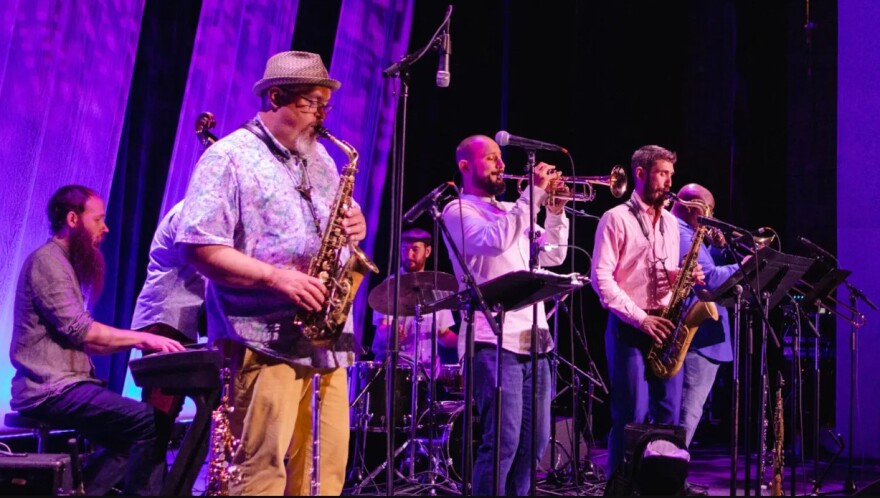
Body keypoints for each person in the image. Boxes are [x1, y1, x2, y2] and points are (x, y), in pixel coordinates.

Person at [176, 51, 367, 496]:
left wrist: (354, 226)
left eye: (325, 105)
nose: (321, 116)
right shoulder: (229, 157)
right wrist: (277, 278)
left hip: (327, 343)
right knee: (256, 476)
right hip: (261, 339)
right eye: (311, 103)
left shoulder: (320, 158)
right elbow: (199, 248)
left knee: (324, 477)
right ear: (276, 96)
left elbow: (330, 230)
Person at [9, 185, 185, 496]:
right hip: (49, 389)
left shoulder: (63, 264)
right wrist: (144, 339)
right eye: (98, 220)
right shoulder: (47, 261)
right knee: (150, 424)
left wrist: (144, 342)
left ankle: (83, 490)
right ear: (73, 219)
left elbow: (90, 342)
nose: (105, 228)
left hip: (67, 385)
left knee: (130, 436)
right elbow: (84, 332)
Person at [441, 134, 569, 496]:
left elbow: (554, 255)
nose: (501, 165)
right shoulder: (459, 211)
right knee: (503, 443)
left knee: (536, 444)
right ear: (465, 166)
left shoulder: (513, 209)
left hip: (537, 341)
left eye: (501, 158)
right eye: (492, 159)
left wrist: (556, 212)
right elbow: (493, 242)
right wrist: (532, 197)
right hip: (492, 341)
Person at [590, 145, 704, 476]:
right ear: (640, 173)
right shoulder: (615, 218)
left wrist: (683, 274)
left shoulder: (670, 223)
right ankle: (620, 488)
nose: (669, 182)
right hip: (629, 327)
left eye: (671, 174)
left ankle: (658, 487)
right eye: (662, 173)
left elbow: (664, 272)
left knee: (668, 417)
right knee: (631, 418)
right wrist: (641, 319)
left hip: (666, 325)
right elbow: (601, 279)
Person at [670, 184, 738, 447]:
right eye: (708, 211)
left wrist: (720, 251)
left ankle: (673, 473)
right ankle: (671, 475)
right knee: (688, 412)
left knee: (688, 411)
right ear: (693, 207)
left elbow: (708, 268)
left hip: (704, 337)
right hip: (698, 337)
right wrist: (745, 266)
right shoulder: (681, 232)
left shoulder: (689, 232)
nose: (710, 218)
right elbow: (708, 280)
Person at [131, 199, 206, 416]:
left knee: (171, 403)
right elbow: (204, 261)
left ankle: (155, 448)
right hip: (165, 316)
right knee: (161, 405)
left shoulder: (197, 212)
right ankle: (148, 450)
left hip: (178, 318)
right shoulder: (188, 213)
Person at [371, 227, 457, 372]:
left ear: (427, 252)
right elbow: (382, 328)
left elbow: (443, 334)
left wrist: (467, 342)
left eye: (415, 249)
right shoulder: (389, 286)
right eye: (405, 249)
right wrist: (391, 333)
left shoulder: (437, 288)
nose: (409, 254)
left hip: (427, 373)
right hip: (394, 368)